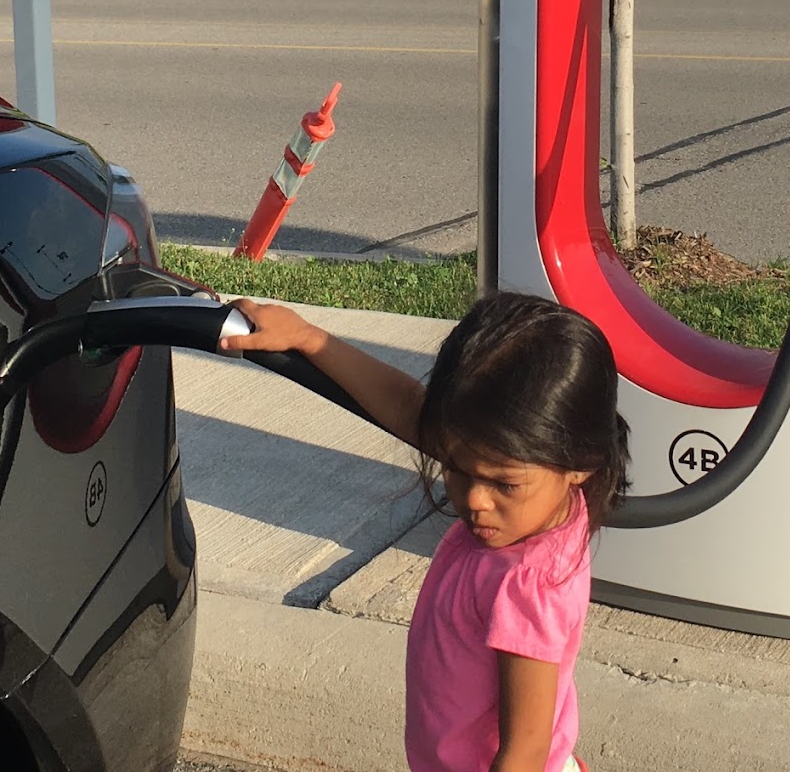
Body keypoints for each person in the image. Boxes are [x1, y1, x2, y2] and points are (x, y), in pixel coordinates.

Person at [221, 290, 631, 772]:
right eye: (455, 468)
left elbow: (525, 750)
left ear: (579, 464)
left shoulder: (527, 586)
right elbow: (404, 405)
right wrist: (309, 339)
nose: (475, 499)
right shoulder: (543, 479)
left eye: (502, 484)